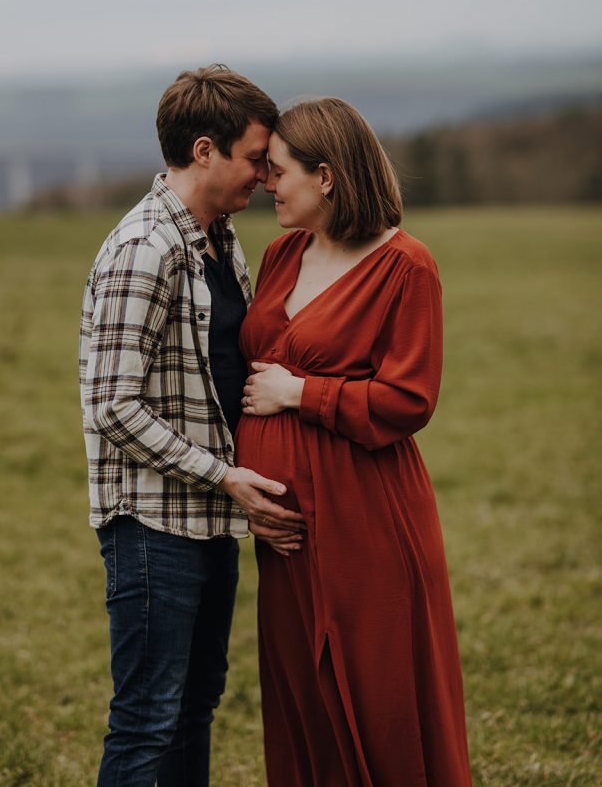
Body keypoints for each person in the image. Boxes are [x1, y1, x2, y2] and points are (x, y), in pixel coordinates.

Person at [79, 64, 306, 787]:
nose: (265, 177)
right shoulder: (144, 248)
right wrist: (225, 474)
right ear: (203, 151)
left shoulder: (219, 239)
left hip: (210, 519)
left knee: (195, 707)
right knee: (148, 717)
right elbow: (113, 405)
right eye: (253, 159)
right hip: (152, 527)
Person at [236, 98, 473, 786]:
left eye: (278, 172)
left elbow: (409, 399)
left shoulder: (406, 266)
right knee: (304, 699)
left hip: (367, 517)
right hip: (287, 531)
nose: (266, 185)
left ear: (327, 176)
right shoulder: (282, 254)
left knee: (378, 699)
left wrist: (301, 394)